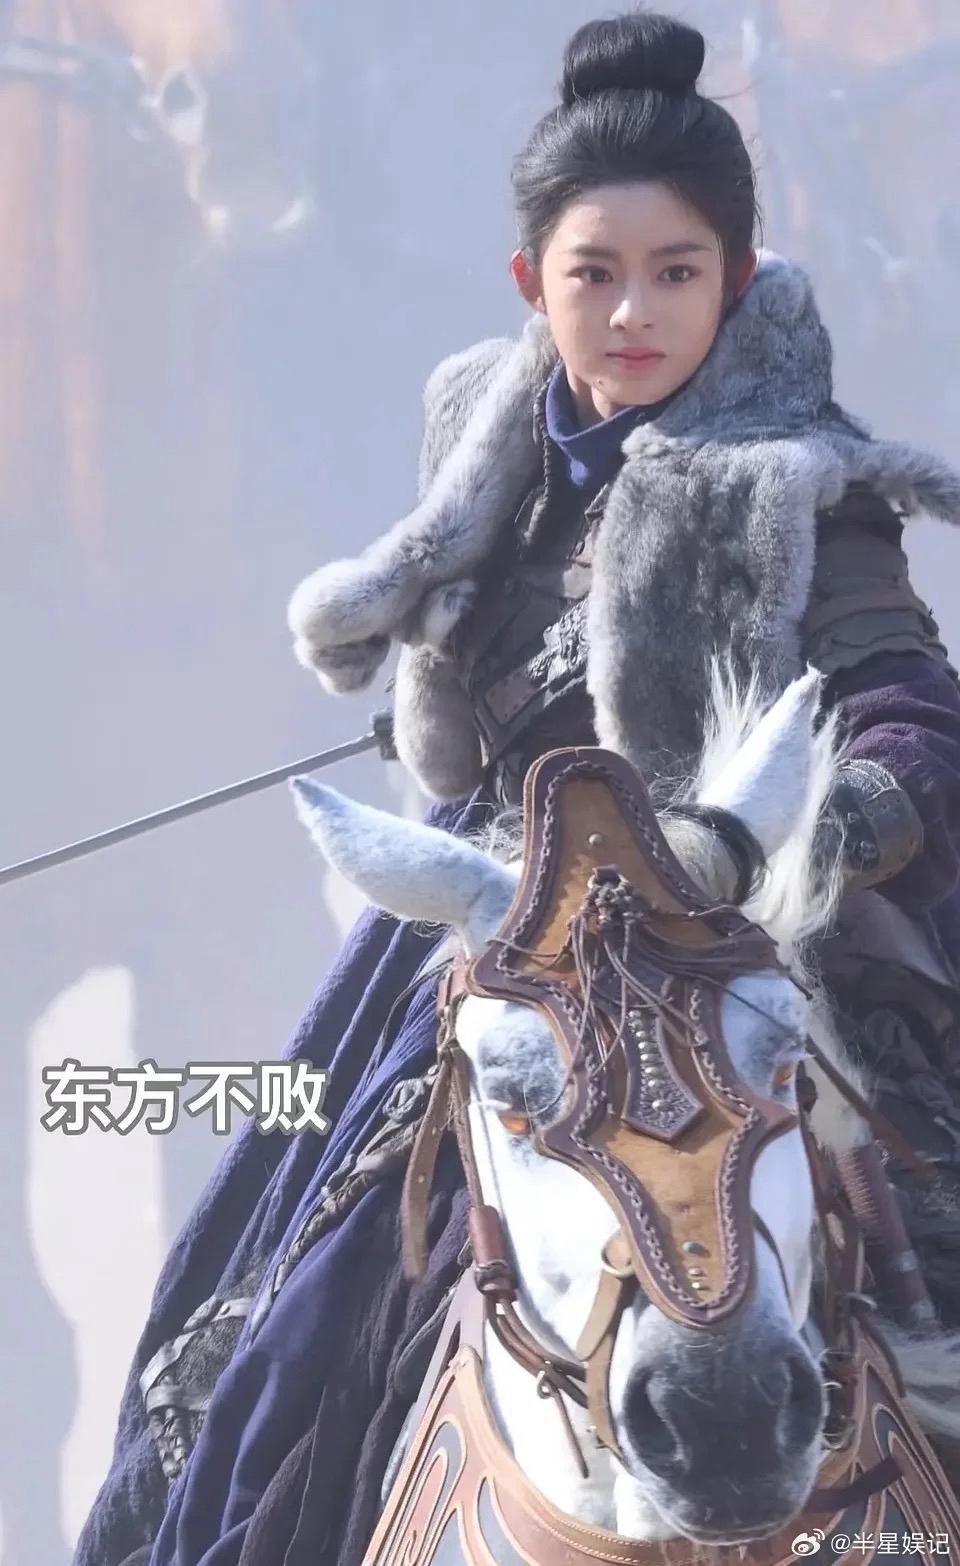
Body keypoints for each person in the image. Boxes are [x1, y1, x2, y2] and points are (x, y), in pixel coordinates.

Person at [77, 12, 960, 1566]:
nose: (633, 311)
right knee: (289, 1299)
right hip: (521, 936)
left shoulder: (796, 484)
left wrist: (794, 835)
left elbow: (911, 712)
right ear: (529, 283)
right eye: (594, 273)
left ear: (735, 278)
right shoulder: (487, 479)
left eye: (676, 272)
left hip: (752, 940)